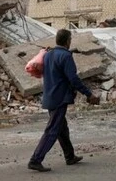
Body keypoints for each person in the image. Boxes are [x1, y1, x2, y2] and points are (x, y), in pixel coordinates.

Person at [28, 28, 100, 172]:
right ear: (68, 41)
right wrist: (88, 94)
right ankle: (35, 159)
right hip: (60, 97)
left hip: (49, 96)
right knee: (53, 130)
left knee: (61, 128)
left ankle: (69, 156)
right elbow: (73, 78)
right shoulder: (65, 56)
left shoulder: (48, 55)